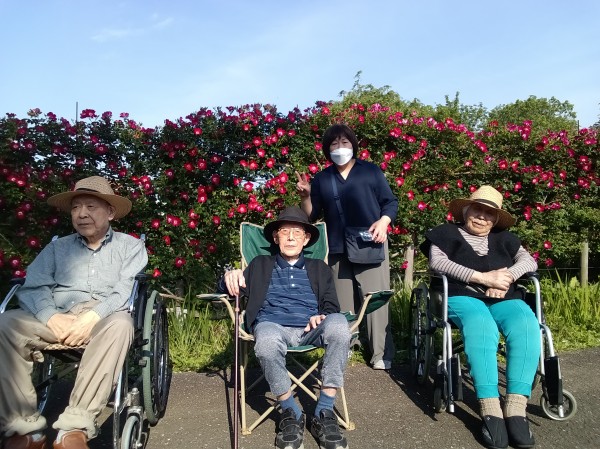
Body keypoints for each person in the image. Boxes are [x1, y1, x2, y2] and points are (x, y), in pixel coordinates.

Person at [0, 176, 148, 449]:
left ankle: (74, 429)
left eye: (90, 206)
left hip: (103, 319)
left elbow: (125, 291)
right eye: (76, 207)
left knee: (122, 324)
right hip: (56, 316)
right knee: (6, 324)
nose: (81, 214)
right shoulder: (57, 248)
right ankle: (24, 429)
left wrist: (92, 317)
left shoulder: (131, 247)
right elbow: (33, 285)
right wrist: (51, 316)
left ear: (110, 212)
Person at [219, 206, 351, 449]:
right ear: (275, 237)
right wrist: (229, 276)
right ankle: (291, 412)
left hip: (310, 329)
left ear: (306, 239)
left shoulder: (319, 268)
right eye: (285, 232)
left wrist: (322, 316)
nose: (291, 237)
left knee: (340, 325)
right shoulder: (260, 264)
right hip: (273, 327)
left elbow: (331, 305)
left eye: (297, 233)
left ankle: (324, 412)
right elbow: (232, 289)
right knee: (267, 339)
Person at [420, 185, 540, 449]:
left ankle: (516, 408)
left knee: (526, 324)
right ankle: (490, 408)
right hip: (461, 295)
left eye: (489, 213)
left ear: (496, 219)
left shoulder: (505, 238)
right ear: (466, 210)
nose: (482, 217)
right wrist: (484, 278)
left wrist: (505, 278)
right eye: (477, 210)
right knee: (481, 325)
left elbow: (529, 262)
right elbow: (438, 263)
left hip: (503, 296)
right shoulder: (446, 233)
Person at [296, 123, 398, 370]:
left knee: (375, 300)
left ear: (353, 145)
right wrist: (306, 196)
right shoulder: (323, 178)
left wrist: (384, 222)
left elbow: (390, 202)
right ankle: (345, 348)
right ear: (327, 150)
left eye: (344, 142)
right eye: (334, 144)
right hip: (338, 247)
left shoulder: (370, 171)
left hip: (370, 243)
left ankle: (381, 353)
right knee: (341, 304)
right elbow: (311, 216)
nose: (340, 147)